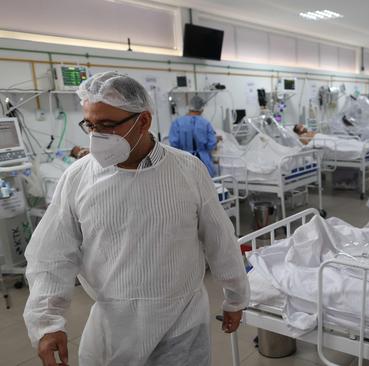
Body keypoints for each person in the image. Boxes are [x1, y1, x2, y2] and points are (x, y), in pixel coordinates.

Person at [23, 71, 250, 366]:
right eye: (90, 125)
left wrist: (235, 297)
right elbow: (51, 255)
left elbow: (220, 240)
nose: (96, 137)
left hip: (182, 324)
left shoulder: (188, 171)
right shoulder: (78, 177)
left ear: (143, 121)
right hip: (113, 327)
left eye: (107, 126)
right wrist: (46, 322)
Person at [169, 95, 219, 177]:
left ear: (189, 107)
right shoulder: (205, 123)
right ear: (202, 109)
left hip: (183, 162)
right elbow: (211, 145)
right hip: (203, 162)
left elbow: (174, 144)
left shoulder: (178, 123)